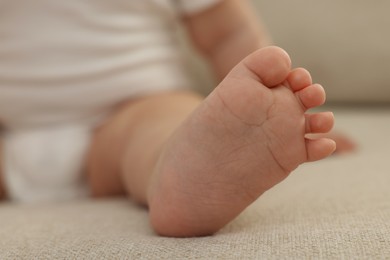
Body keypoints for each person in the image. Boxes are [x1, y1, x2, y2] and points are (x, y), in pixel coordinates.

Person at [0, 0, 351, 237]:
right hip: (7, 133)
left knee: (164, 128)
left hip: (132, 112)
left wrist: (272, 106)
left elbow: (227, 33)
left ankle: (181, 175)